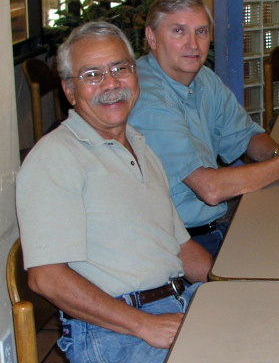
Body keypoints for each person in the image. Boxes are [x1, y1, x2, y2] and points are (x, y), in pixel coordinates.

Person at [16, 21, 213, 362]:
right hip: (116, 330)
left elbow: (182, 248)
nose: (111, 83)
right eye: (92, 74)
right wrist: (143, 325)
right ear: (69, 90)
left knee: (275, 332)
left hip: (177, 301)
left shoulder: (139, 144)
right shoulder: (55, 158)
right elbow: (46, 278)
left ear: (135, 76)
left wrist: (235, 284)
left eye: (120, 68)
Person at [128, 0, 279, 256]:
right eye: (178, 31)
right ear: (151, 37)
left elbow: (246, 137)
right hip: (174, 244)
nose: (193, 44)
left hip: (212, 224)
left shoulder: (203, 78)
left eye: (201, 32)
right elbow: (211, 189)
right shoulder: (148, 99)